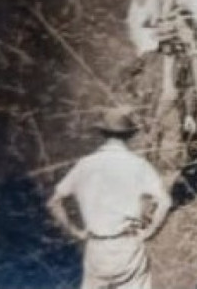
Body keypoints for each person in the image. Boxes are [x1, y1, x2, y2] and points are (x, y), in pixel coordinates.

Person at [48, 105, 171, 289]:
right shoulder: (138, 165)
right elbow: (165, 202)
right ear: (129, 135)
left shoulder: (85, 165)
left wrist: (75, 231)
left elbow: (54, 202)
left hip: (97, 248)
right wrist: (150, 232)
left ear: (103, 134)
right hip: (128, 247)